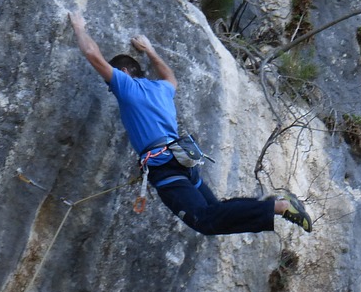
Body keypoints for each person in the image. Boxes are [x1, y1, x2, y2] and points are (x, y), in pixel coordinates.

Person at [69, 12, 312, 234]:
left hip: (164, 165)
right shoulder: (161, 89)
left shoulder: (127, 88)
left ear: (123, 71)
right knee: (214, 209)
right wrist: (151, 51)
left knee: (205, 220)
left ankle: (279, 206)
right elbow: (171, 77)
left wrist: (79, 27)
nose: (111, 89)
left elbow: (92, 54)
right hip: (181, 158)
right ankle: (274, 205)